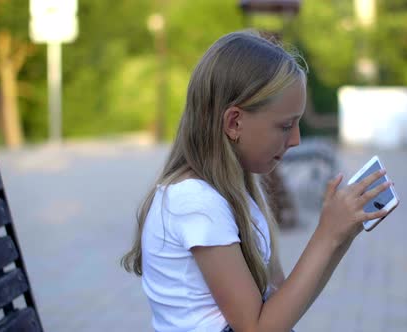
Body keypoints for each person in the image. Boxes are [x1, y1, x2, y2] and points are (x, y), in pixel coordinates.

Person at [121, 30, 392, 332]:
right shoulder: (195, 203)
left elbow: (283, 306)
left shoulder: (234, 190)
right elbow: (257, 328)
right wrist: (326, 235)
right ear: (234, 122)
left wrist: (341, 235)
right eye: (286, 125)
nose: (296, 140)